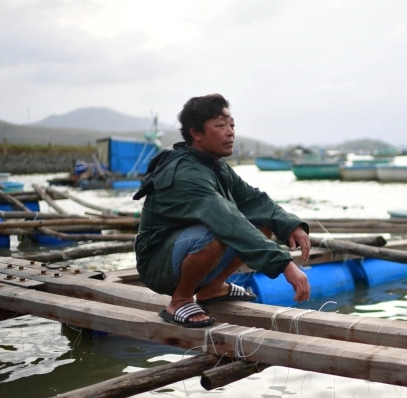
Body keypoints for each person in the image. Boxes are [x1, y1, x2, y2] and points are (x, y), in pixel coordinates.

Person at [133, 93, 311, 328]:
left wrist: (291, 224)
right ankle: (180, 300)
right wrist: (285, 264)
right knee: (219, 229)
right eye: (220, 126)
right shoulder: (186, 173)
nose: (230, 132)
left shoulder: (215, 164)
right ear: (196, 133)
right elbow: (226, 220)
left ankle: (212, 288)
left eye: (232, 125)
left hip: (184, 249)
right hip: (157, 264)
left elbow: (253, 200)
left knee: (261, 221)